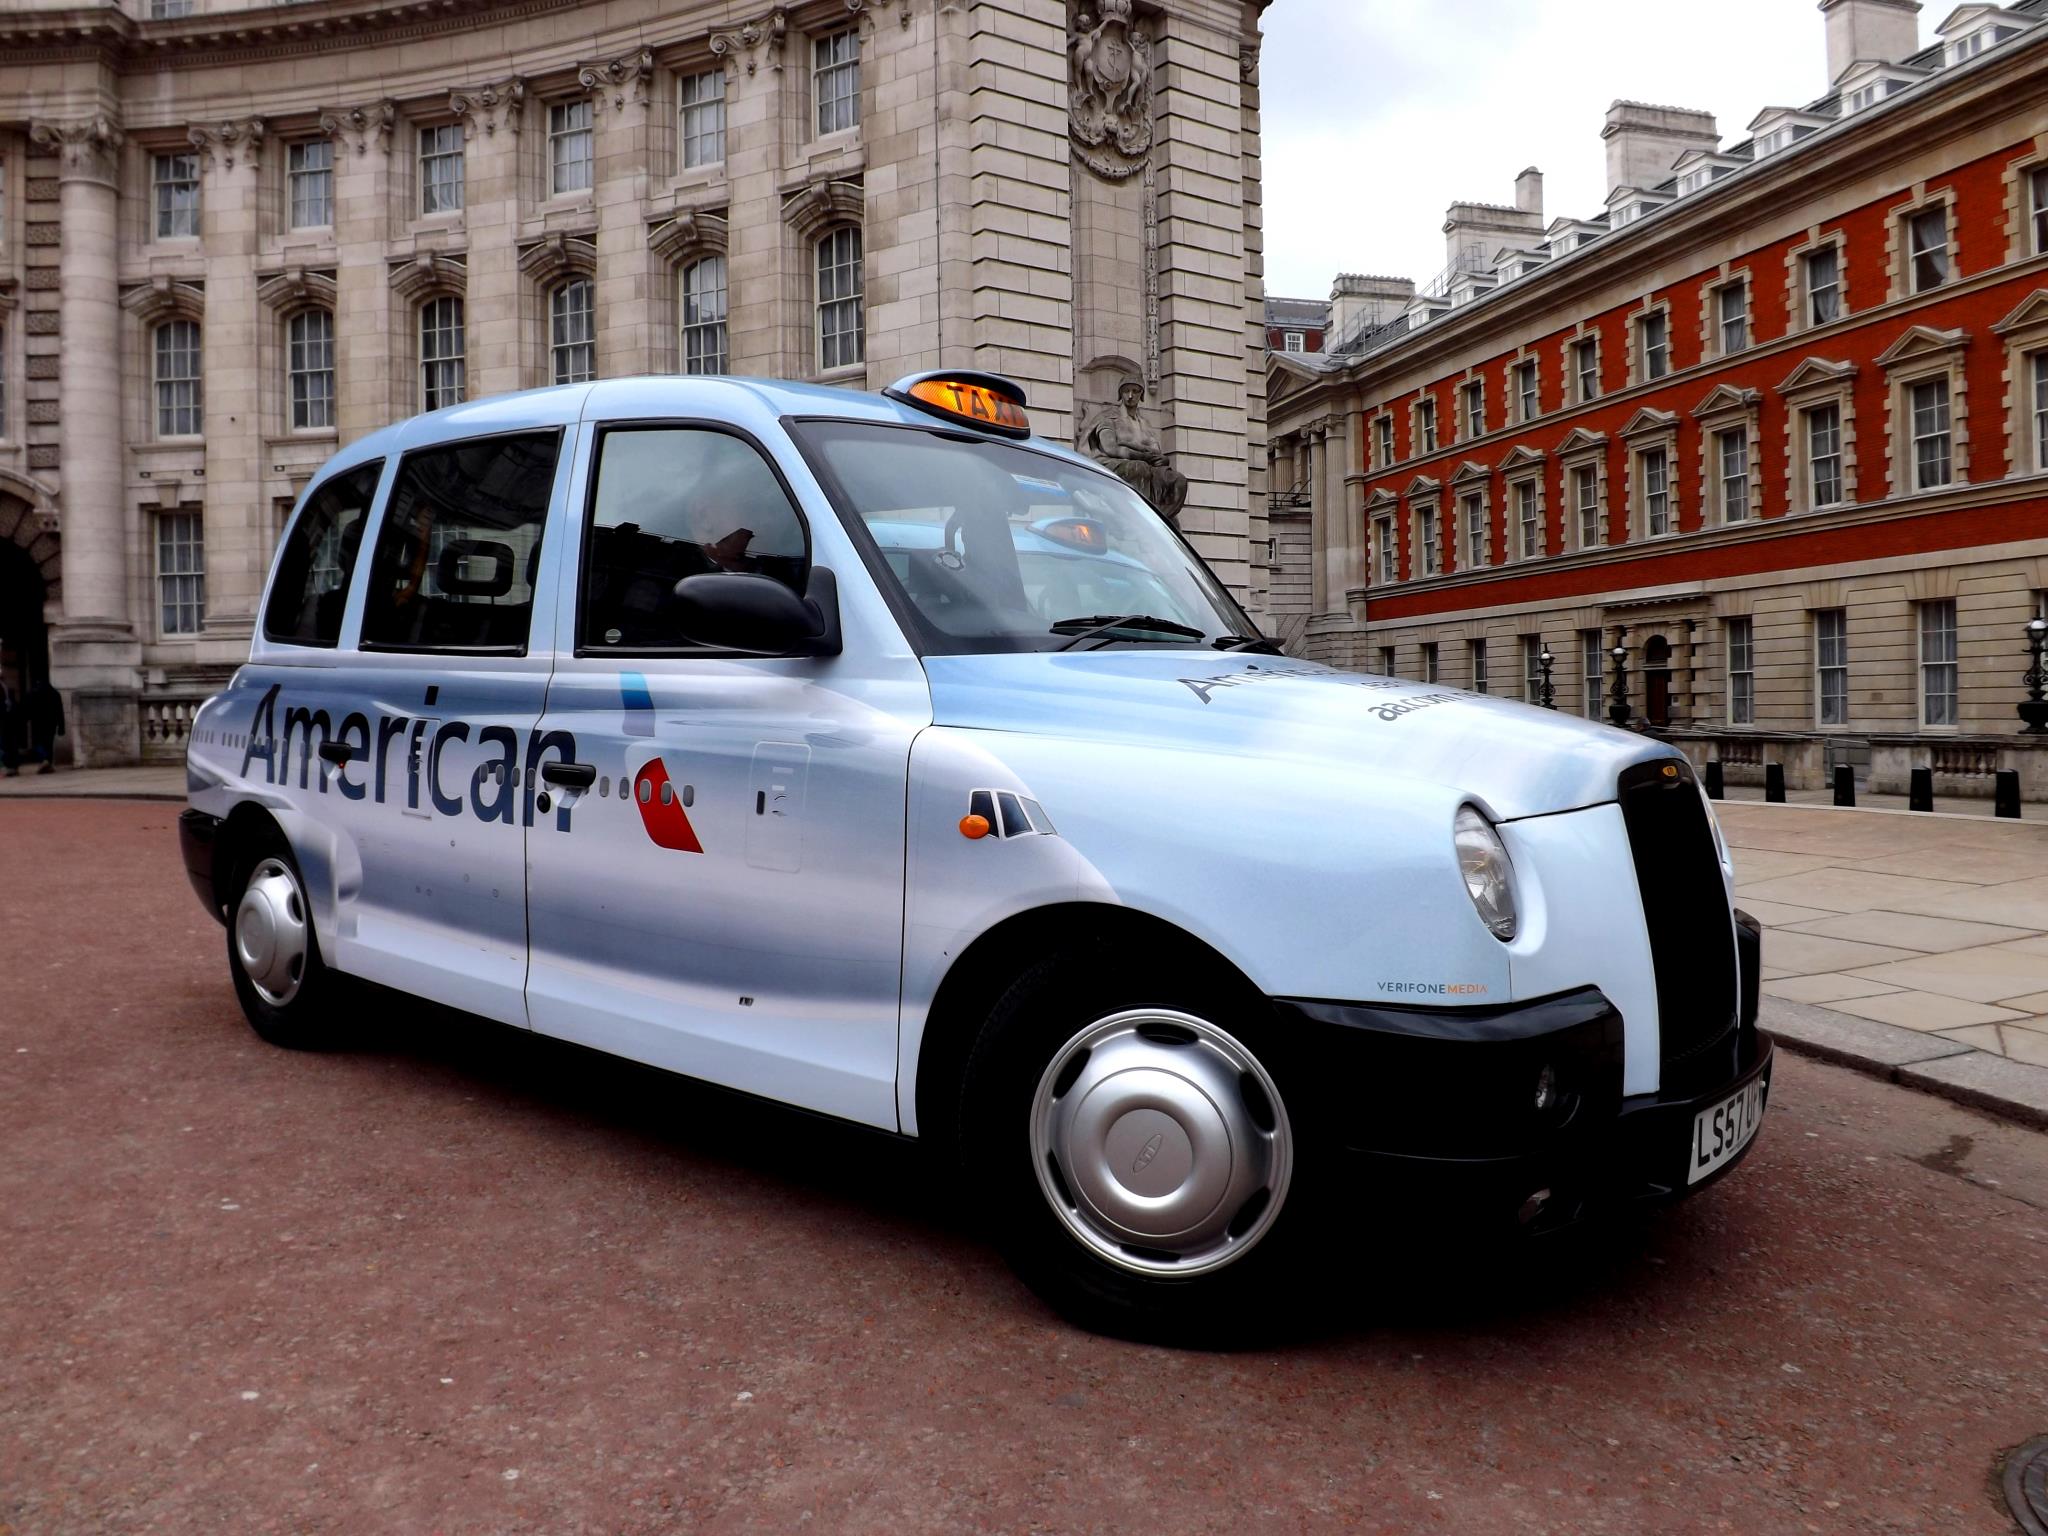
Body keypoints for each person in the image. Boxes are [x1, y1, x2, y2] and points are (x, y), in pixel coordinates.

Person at [1080, 380, 1190, 524]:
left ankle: (1159, 519)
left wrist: (1163, 460)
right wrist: (1142, 454)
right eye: (1126, 391)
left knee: (1177, 480)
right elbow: (1110, 448)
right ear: (1120, 394)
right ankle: (1139, 521)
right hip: (1108, 464)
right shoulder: (1109, 418)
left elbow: (1156, 451)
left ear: (1142, 395)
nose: (1130, 396)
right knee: (1139, 468)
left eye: (1135, 391)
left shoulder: (1144, 424)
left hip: (1142, 465)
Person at [24, 678, 63, 774]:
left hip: (38, 723)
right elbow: (59, 712)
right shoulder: (55, 693)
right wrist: (61, 727)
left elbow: (28, 709)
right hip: (51, 723)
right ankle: (48, 763)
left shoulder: (33, 693)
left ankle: (44, 760)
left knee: (38, 743)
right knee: (49, 744)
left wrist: (25, 720)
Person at [0, 670, 20, 777]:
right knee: (9, 744)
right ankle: (12, 766)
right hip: (8, 719)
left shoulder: (4, 688)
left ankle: (10, 767)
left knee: (6, 744)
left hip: (5, 720)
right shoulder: (7, 688)